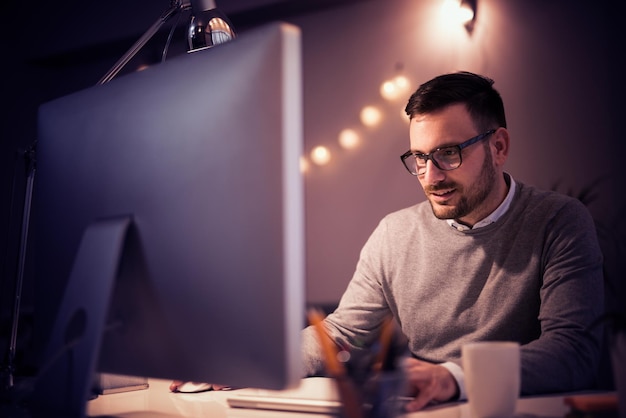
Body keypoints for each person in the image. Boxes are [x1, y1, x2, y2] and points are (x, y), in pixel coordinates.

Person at [299, 71, 604, 412]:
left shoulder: (558, 220)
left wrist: (452, 378)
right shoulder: (394, 234)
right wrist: (261, 364)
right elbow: (340, 332)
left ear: (498, 146)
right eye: (420, 157)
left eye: (449, 153)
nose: (431, 176)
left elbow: (574, 350)